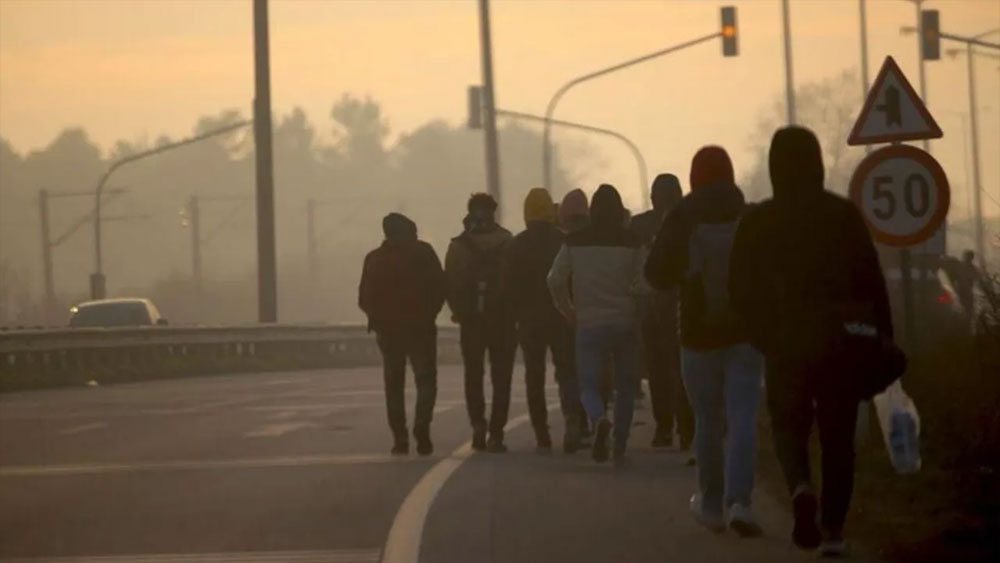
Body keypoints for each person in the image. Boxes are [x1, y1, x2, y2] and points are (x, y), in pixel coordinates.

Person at [729, 126, 895, 556]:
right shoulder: (842, 215)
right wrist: (883, 337)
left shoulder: (758, 221)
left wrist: (760, 335)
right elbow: (872, 280)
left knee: (789, 424)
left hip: (785, 343)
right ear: (818, 163)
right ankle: (834, 530)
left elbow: (739, 289)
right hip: (841, 343)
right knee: (838, 434)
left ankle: (801, 486)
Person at [645, 146, 763, 537]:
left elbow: (655, 273)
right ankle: (741, 502)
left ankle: (711, 504)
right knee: (743, 415)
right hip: (746, 332)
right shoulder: (749, 216)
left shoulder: (681, 216)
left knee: (708, 420)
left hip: (697, 333)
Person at [548, 184, 643, 465]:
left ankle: (599, 418)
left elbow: (554, 279)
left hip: (588, 323)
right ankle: (620, 447)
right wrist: (635, 303)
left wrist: (567, 309)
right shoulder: (634, 241)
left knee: (587, 384)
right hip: (625, 322)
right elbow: (646, 282)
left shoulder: (575, 242)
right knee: (625, 386)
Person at [359, 213, 446, 456]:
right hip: (421, 328)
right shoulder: (423, 253)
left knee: (393, 384)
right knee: (426, 380)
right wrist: (430, 313)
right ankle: (422, 428)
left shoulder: (375, 259)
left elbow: (364, 297)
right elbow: (440, 286)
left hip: (388, 332)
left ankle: (400, 438)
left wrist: (378, 319)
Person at [503, 188, 582, 453]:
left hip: (529, 321)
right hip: (561, 317)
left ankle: (542, 434)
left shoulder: (516, 244)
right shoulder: (564, 241)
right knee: (567, 371)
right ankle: (573, 419)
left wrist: (513, 317)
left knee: (534, 376)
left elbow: (507, 288)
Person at [445, 193, 516, 453]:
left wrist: (459, 312)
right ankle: (497, 433)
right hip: (503, 321)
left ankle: (478, 425)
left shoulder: (458, 246)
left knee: (473, 376)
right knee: (502, 378)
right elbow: (516, 283)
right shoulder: (508, 242)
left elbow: (449, 284)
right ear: (494, 212)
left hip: (471, 322)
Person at [630, 173, 695, 451]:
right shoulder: (689, 222)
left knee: (657, 372)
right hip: (682, 305)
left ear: (653, 197)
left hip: (650, 306)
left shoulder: (639, 225)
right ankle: (686, 428)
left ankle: (664, 428)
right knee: (682, 370)